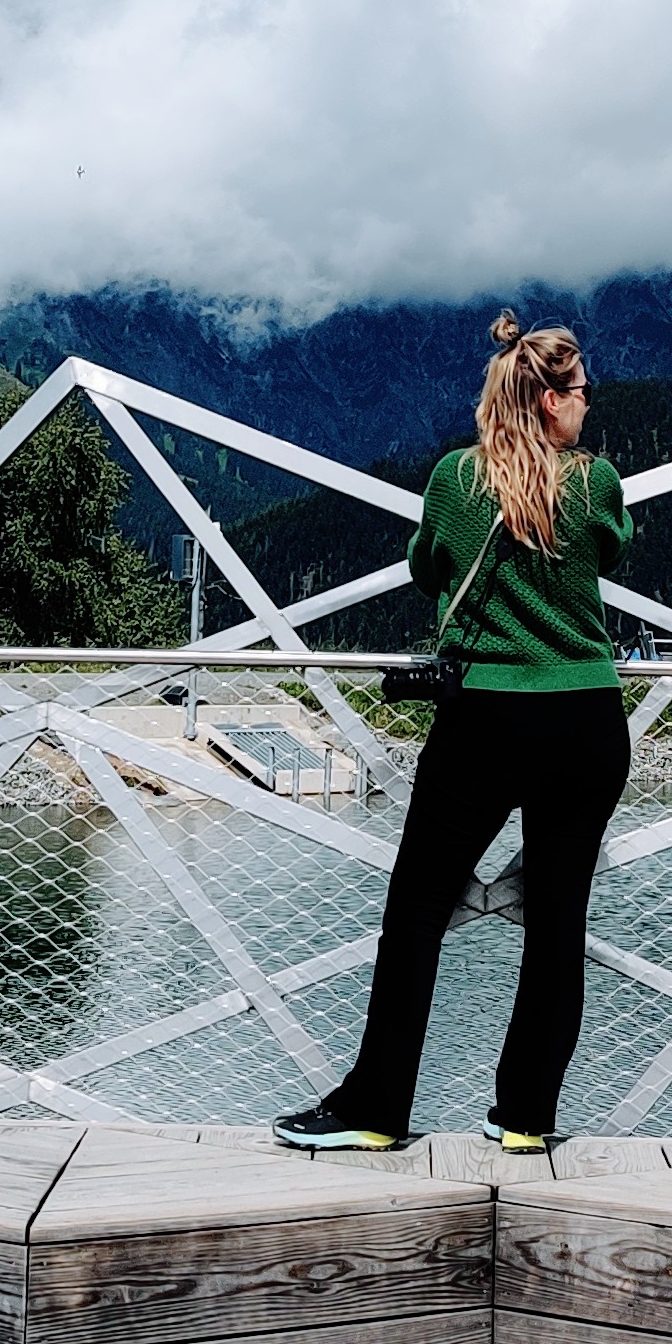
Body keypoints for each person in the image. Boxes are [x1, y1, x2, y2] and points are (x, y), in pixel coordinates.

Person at [278, 315, 634, 1159]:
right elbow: (612, 553)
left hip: (483, 718)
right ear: (550, 401)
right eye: (581, 393)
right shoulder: (595, 483)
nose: (588, 406)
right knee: (557, 924)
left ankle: (376, 1106)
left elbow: (425, 566)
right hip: (586, 719)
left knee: (414, 916)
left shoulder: (452, 479)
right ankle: (524, 1116)